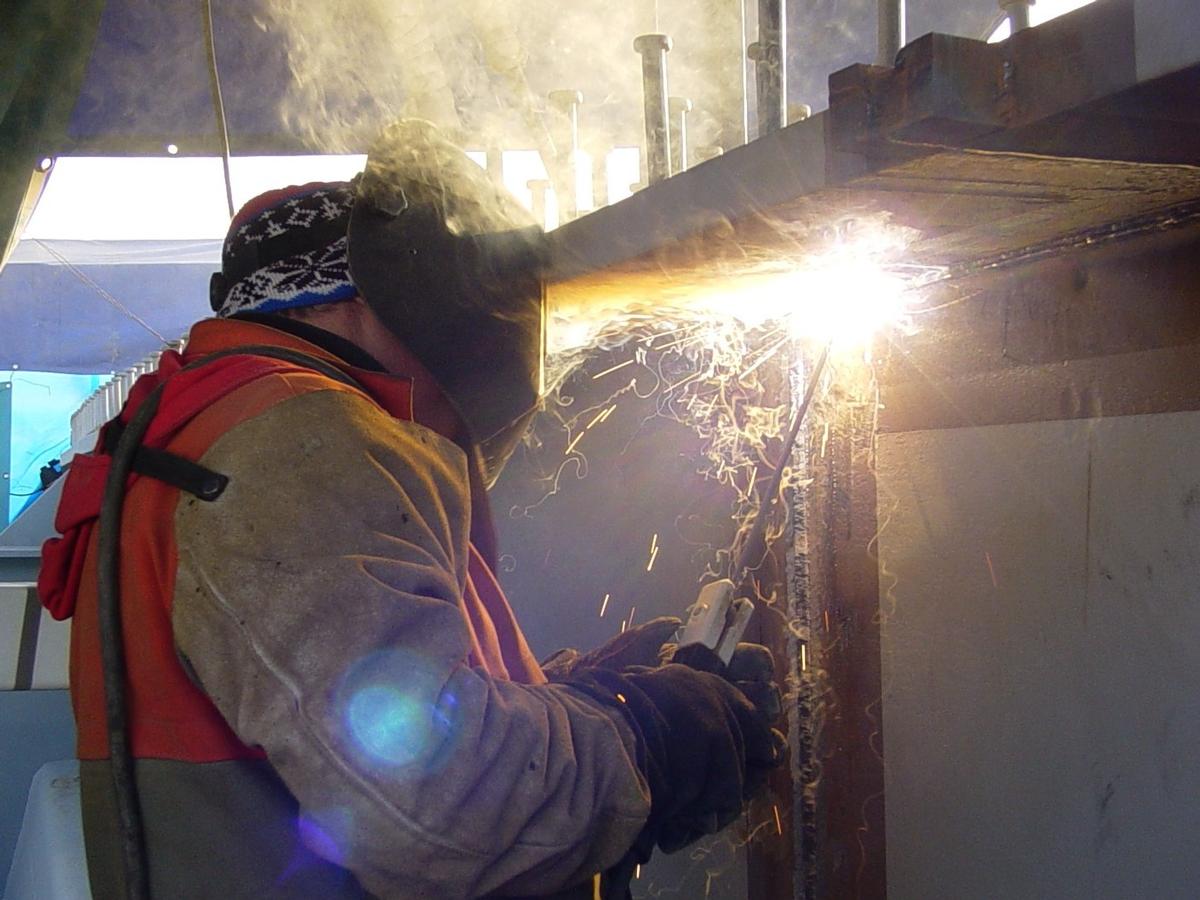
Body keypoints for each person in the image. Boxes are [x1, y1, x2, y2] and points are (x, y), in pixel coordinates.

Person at [39, 121, 784, 900]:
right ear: (391, 290)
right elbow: (447, 814)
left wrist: (592, 696)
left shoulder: (209, 425)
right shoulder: (299, 442)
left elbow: (372, 726)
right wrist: (645, 740)